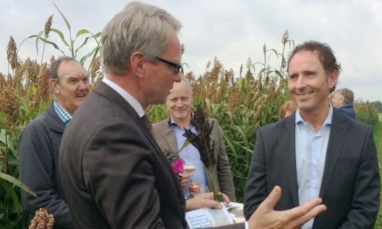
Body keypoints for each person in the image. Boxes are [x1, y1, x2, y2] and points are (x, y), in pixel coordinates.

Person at [58, 2, 326, 229]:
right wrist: (249, 226)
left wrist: (184, 205)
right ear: (139, 64)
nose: (177, 77)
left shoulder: (101, 113)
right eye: (174, 65)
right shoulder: (113, 131)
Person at [244, 41, 380, 228]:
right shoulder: (268, 138)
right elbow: (253, 205)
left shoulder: (360, 137)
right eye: (293, 77)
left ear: (332, 78)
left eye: (309, 74)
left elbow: (365, 209)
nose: (299, 85)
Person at [18, 56, 90, 228]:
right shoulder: (37, 133)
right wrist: (91, 220)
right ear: (54, 85)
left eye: (85, 79)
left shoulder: (93, 126)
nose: (83, 86)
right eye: (73, 81)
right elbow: (37, 198)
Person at [153, 77, 236, 201]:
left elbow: (223, 168)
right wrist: (173, 182)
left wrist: (231, 204)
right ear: (166, 100)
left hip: (211, 203)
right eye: (174, 99)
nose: (179, 104)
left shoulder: (210, 126)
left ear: (192, 97)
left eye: (184, 98)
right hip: (178, 206)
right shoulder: (156, 132)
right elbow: (153, 174)